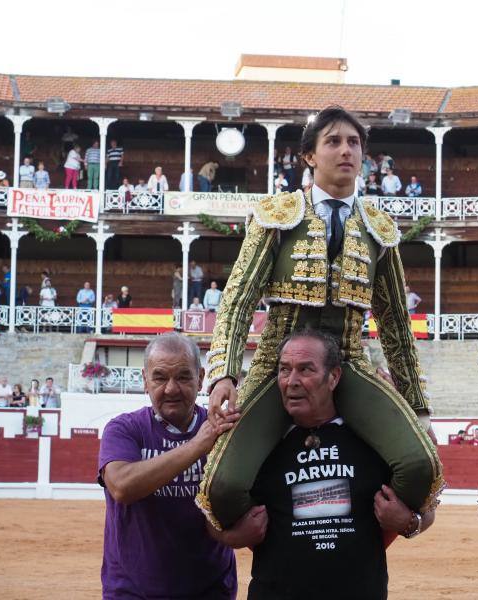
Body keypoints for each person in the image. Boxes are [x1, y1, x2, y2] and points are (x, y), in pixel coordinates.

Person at [198, 106, 441, 533]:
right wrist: (224, 374)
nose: (345, 150)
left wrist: (418, 407)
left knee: (421, 464)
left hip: (347, 362)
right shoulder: (277, 214)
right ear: (309, 155)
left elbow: (397, 324)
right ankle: (289, 533)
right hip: (279, 362)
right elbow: (237, 299)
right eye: (333, 141)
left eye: (353, 142)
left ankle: (354, 534)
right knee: (223, 485)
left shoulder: (379, 228)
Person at [212, 330, 434, 600]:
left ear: (334, 377)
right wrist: (230, 538)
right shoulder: (257, 444)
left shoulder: (374, 440)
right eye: (284, 370)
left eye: (306, 370)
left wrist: (410, 523)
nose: (292, 381)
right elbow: (210, 514)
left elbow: (426, 509)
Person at [98, 333, 244, 599]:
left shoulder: (225, 430)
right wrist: (197, 445)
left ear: (201, 378)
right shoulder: (124, 429)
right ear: (145, 380)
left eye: (183, 377)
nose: (171, 388)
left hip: (210, 589)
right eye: (160, 377)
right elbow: (121, 486)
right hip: (132, 591)